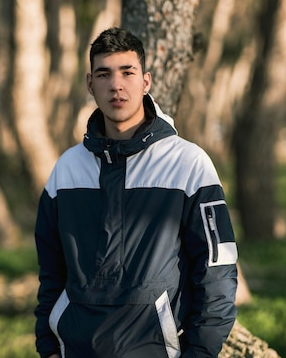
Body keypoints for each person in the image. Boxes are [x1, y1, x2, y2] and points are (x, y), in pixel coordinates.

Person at [34, 27, 238, 358]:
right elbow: (51, 273)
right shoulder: (67, 170)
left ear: (146, 82)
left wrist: (200, 352)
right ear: (90, 84)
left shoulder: (188, 164)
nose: (116, 85)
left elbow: (218, 272)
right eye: (104, 74)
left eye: (127, 72)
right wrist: (48, 346)